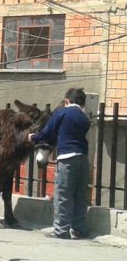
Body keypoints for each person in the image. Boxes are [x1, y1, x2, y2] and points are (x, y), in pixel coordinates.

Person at [30, 87, 91, 240]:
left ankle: (61, 230)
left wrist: (34, 137)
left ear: (66, 100)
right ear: (83, 103)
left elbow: (48, 132)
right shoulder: (84, 118)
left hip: (67, 158)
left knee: (63, 194)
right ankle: (80, 228)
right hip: (83, 158)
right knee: (80, 195)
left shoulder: (62, 113)